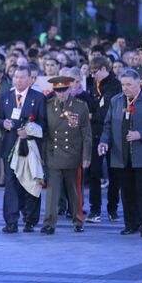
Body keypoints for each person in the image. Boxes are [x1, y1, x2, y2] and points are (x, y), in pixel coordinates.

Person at [99, 69, 142, 237]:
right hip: (121, 154)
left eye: (129, 84)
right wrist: (103, 141)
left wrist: (141, 134)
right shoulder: (116, 101)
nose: (125, 88)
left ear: (139, 84)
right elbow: (107, 125)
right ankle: (130, 224)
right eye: (123, 84)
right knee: (127, 191)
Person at [40, 76, 92, 234]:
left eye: (63, 90)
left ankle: (78, 220)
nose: (61, 93)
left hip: (73, 154)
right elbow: (45, 132)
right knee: (52, 191)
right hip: (54, 154)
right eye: (57, 90)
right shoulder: (48, 106)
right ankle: (49, 223)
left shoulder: (80, 106)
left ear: (70, 89)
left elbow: (87, 134)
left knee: (74, 191)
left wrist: (86, 156)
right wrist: (43, 156)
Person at [0, 65, 46, 233]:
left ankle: (30, 219)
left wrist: (30, 132)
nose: (19, 80)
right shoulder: (5, 97)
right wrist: (3, 123)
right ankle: (11, 221)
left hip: (30, 148)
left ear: (30, 79)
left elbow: (43, 123)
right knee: (10, 183)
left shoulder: (38, 98)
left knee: (30, 182)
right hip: (11, 147)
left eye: (22, 77)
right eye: (16, 77)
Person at [87, 56, 122, 222]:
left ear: (103, 69)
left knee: (114, 172)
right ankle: (95, 210)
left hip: (111, 135)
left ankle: (112, 208)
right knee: (94, 172)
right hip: (95, 134)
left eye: (95, 72)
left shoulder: (115, 85)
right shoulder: (95, 84)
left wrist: (93, 115)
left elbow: (109, 109)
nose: (93, 75)